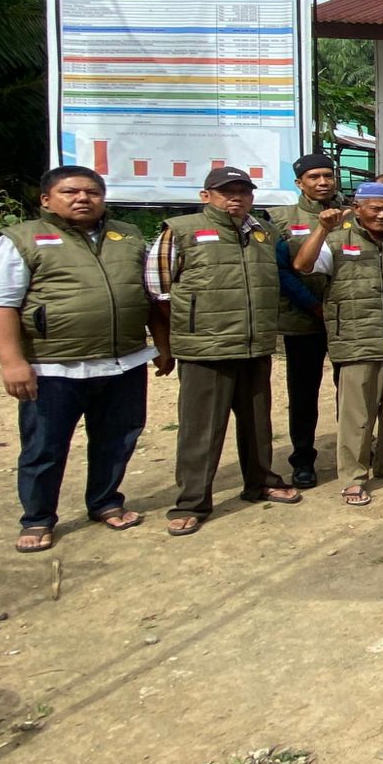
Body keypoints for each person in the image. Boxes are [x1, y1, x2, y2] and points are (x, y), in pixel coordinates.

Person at [0, 166, 171, 553]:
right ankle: (37, 518)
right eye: (70, 192)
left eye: (92, 192)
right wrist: (12, 363)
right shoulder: (22, 240)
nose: (82, 199)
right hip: (53, 367)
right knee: (45, 446)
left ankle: (105, 501)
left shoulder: (128, 236)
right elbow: (0, 303)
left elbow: (149, 296)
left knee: (118, 439)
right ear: (46, 199)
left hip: (124, 362)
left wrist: (162, 345)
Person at [146, 167, 301, 536]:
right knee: (202, 429)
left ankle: (260, 480)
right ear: (206, 196)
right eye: (225, 191)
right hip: (207, 348)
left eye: (243, 191)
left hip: (254, 343)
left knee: (257, 422)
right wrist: (184, 334)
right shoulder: (179, 231)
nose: (236, 197)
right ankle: (192, 502)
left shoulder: (263, 232)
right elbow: (159, 292)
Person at [292, 182, 383, 506]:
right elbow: (302, 265)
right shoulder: (337, 238)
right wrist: (321, 230)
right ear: (357, 207)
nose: (382, 215)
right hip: (355, 337)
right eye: (374, 209)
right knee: (357, 415)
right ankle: (353, 477)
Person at [268, 153, 342, 489]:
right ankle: (302, 460)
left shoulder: (353, 215)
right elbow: (282, 271)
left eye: (328, 175)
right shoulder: (281, 219)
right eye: (314, 177)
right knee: (303, 394)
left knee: (350, 391)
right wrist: (313, 306)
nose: (323, 182)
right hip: (303, 321)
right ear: (300, 183)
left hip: (347, 320)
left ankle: (352, 455)